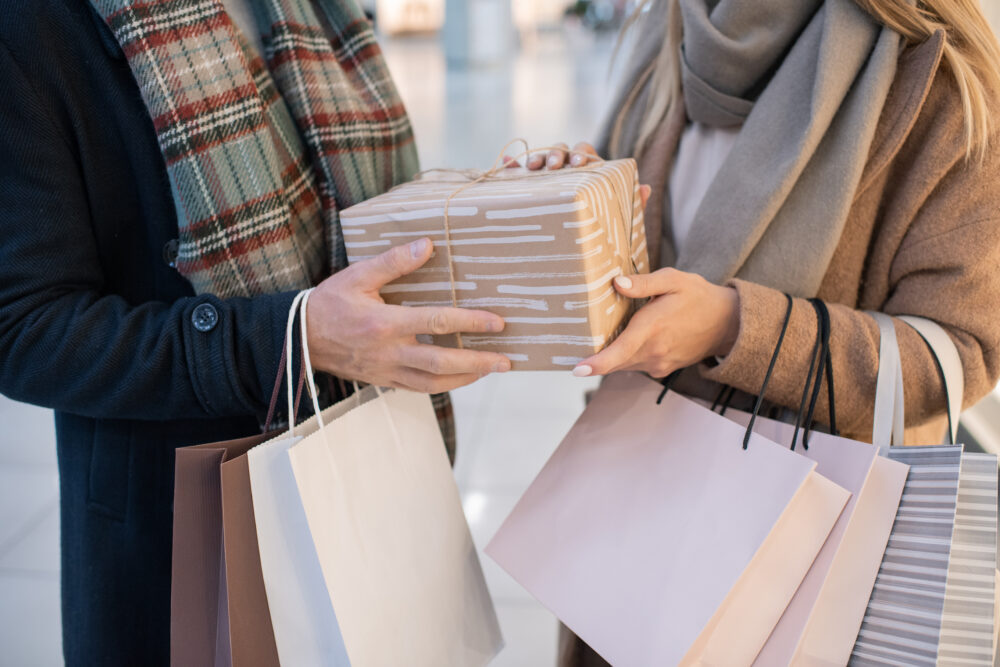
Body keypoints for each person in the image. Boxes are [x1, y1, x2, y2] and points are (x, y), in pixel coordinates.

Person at [0, 0, 607, 663]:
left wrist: (501, 203)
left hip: (366, 477)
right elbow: (23, 326)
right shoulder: (35, 22)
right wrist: (289, 336)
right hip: (183, 532)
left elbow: (346, 212)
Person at [551, 0, 1000, 664]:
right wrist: (578, 202)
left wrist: (737, 326)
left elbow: (959, 352)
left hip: (813, 569)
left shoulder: (934, 73)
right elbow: (626, 276)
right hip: (640, 527)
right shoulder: (666, 35)